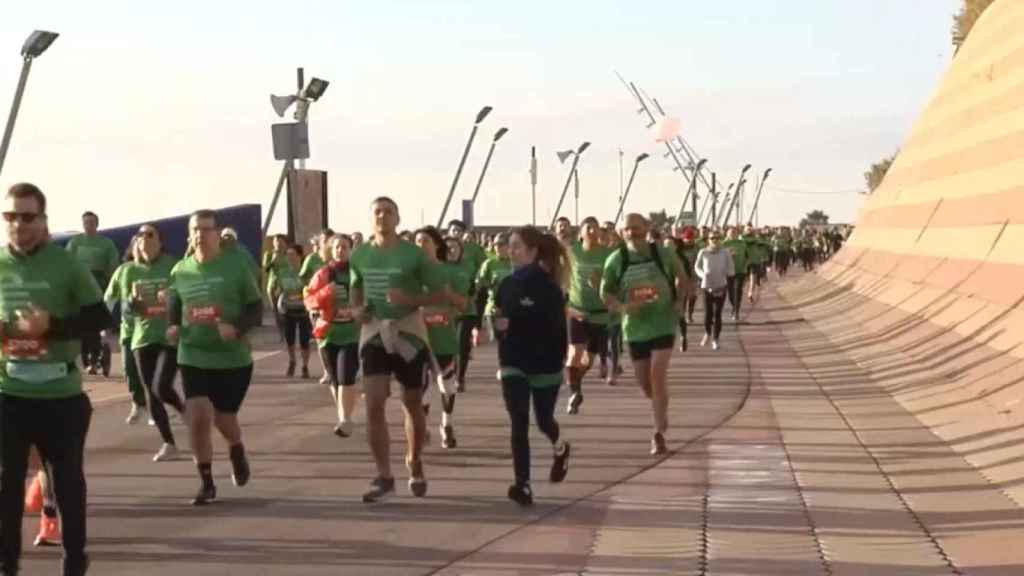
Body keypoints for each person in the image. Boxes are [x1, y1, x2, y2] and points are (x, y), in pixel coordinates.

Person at [0, 183, 113, 576]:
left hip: (61, 396)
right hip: (9, 393)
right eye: (10, 216)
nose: (18, 224)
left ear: (43, 220)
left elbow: (101, 318)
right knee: (7, 485)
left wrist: (53, 326)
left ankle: (74, 559)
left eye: (27, 217)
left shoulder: (66, 265)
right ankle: (7, 564)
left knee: (67, 485)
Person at [349, 197, 446, 503]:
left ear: (398, 218)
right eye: (377, 212)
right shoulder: (360, 254)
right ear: (370, 218)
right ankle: (384, 476)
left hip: (408, 332)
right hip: (375, 331)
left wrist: (408, 299)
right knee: (373, 403)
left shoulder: (413, 255)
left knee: (412, 403)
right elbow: (355, 286)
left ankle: (414, 461)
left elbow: (436, 292)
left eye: (388, 211)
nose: (382, 216)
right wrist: (356, 309)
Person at [167, 209, 263, 506]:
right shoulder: (180, 270)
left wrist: (236, 328)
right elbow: (174, 299)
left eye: (206, 229)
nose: (200, 235)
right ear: (189, 235)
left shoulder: (235, 266)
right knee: (198, 417)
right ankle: (206, 481)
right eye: (195, 229)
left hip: (232, 357)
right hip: (193, 352)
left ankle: (236, 447)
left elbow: (256, 308)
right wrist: (173, 324)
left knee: (224, 418)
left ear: (217, 234)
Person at [494, 226, 572, 506]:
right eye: (509, 245)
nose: (511, 251)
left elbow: (554, 329)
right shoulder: (505, 285)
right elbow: (500, 319)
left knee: (543, 420)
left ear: (533, 251)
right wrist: (499, 327)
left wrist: (516, 324)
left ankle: (560, 448)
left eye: (517, 246)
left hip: (545, 362)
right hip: (513, 361)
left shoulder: (549, 287)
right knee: (518, 421)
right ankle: (522, 484)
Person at [601, 213, 686, 456]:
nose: (632, 233)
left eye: (636, 228)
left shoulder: (663, 253)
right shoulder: (616, 260)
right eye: (627, 229)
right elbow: (605, 294)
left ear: (646, 228)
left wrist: (679, 301)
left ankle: (658, 433)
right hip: (635, 328)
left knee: (657, 373)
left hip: (663, 322)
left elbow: (682, 278)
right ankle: (661, 408)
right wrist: (623, 307)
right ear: (621, 232)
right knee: (645, 383)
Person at [115, 225, 185, 462]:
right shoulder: (129, 271)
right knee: (151, 394)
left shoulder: (172, 266)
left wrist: (173, 302)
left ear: (160, 241)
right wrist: (132, 303)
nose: (144, 238)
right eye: (141, 235)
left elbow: (183, 296)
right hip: (142, 339)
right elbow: (125, 307)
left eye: (150, 234)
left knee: (161, 386)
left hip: (168, 336)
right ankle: (169, 443)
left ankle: (183, 409)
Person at [414, 227, 468, 449]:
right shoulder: (410, 274)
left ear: (436, 244)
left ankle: (447, 423)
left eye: (425, 240)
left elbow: (464, 305)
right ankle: (422, 427)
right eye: (417, 241)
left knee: (446, 385)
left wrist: (449, 295)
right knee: (420, 385)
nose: (420, 244)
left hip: (443, 338)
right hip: (416, 337)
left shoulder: (451, 272)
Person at [305, 234, 361, 437]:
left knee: (346, 376)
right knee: (335, 380)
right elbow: (309, 300)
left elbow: (370, 296)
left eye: (345, 247)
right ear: (331, 250)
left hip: (352, 334)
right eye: (337, 247)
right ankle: (342, 415)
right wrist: (325, 294)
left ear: (351, 249)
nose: (341, 250)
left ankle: (345, 419)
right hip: (328, 334)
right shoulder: (323, 274)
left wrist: (359, 312)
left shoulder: (358, 273)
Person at [565, 217, 611, 415]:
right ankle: (574, 393)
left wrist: (601, 282)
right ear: (581, 232)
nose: (593, 231)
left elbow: (614, 281)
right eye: (588, 227)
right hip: (577, 310)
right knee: (574, 353)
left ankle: (577, 384)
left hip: (599, 315)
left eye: (596, 228)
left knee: (587, 361)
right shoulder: (572, 251)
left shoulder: (607, 254)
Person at [65, 211, 119, 376]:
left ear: (97, 224)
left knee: (93, 328)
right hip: (79, 288)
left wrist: (109, 283)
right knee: (82, 329)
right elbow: (66, 263)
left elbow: (113, 266)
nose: (88, 225)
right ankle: (87, 361)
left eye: (91, 222)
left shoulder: (106, 243)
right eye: (85, 222)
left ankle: (94, 360)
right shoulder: (75, 242)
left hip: (98, 287)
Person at [107, 237, 149, 424]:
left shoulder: (155, 270)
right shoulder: (123, 271)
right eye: (137, 245)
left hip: (150, 331)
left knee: (150, 374)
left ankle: (157, 408)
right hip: (128, 330)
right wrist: (101, 324)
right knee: (130, 370)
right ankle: (138, 404)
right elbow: (109, 298)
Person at [268, 244, 313, 378]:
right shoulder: (282, 272)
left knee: (304, 339)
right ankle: (292, 360)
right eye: (288, 255)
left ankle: (305, 366)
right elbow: (278, 289)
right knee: (290, 338)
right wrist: (278, 296)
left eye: (293, 255)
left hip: (303, 309)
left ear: (300, 256)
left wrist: (304, 295)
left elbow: (311, 288)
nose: (290, 258)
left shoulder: (305, 271)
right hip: (288, 309)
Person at [694, 232, 734, 351]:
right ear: (708, 240)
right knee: (708, 314)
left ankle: (715, 339)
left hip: (721, 285)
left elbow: (731, 267)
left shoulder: (725, 252)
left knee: (718, 314)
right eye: (712, 238)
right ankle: (707, 332)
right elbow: (697, 266)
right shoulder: (703, 252)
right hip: (707, 286)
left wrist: (729, 273)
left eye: (717, 238)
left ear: (720, 239)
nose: (715, 240)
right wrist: (703, 275)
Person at [475, 235, 513, 349]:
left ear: (508, 246)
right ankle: (504, 364)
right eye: (495, 244)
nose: (497, 247)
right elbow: (479, 283)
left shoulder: (515, 262)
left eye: (501, 244)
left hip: (515, 308)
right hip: (495, 308)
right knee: (500, 341)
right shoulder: (489, 263)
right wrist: (490, 283)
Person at [722, 227, 749, 321]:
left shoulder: (742, 243)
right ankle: (734, 307)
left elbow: (747, 256)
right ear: (727, 234)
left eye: (734, 232)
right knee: (730, 293)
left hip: (740, 270)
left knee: (738, 291)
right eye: (731, 233)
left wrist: (746, 267)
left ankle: (736, 311)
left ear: (738, 234)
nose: (733, 234)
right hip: (728, 272)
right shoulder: (723, 244)